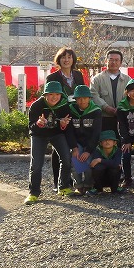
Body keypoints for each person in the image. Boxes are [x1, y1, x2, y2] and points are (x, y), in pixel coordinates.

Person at [24, 81, 74, 205]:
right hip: (39, 136)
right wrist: (38, 124)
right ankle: (33, 192)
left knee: (66, 158)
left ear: (61, 95)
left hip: (57, 134)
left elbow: (68, 127)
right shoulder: (36, 106)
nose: (54, 97)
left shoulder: (64, 106)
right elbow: (31, 127)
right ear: (45, 95)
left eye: (57, 94)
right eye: (50, 94)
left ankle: (63, 187)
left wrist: (63, 125)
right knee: (36, 164)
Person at [46, 47, 86, 191]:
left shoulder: (78, 75)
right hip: (60, 115)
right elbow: (48, 97)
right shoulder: (52, 78)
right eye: (63, 57)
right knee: (59, 149)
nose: (66, 60)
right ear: (59, 59)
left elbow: (83, 93)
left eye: (69, 57)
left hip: (76, 114)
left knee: (75, 145)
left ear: (73, 59)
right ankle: (59, 183)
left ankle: (78, 182)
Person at [68, 85, 102, 194]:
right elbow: (69, 131)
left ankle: (87, 184)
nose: (82, 100)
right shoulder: (71, 110)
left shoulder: (96, 111)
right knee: (75, 161)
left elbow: (96, 133)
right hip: (77, 142)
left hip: (91, 143)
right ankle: (78, 185)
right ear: (75, 99)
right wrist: (74, 147)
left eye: (85, 98)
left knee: (88, 163)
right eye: (79, 98)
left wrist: (88, 150)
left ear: (89, 98)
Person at [90, 50, 130, 132]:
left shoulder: (127, 79)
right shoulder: (97, 79)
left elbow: (132, 96)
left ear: (121, 62)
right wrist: (106, 107)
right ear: (106, 61)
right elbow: (93, 95)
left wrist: (121, 108)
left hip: (124, 117)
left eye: (116, 60)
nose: (113, 62)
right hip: (103, 118)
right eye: (111, 59)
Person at [88, 130, 123, 195]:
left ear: (114, 142)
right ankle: (98, 189)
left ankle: (115, 188)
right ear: (101, 143)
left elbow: (116, 164)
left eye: (110, 140)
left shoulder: (118, 151)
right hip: (101, 178)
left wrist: (100, 160)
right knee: (97, 168)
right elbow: (94, 165)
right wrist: (111, 163)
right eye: (104, 140)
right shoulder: (97, 150)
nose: (107, 141)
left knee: (116, 169)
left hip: (112, 177)